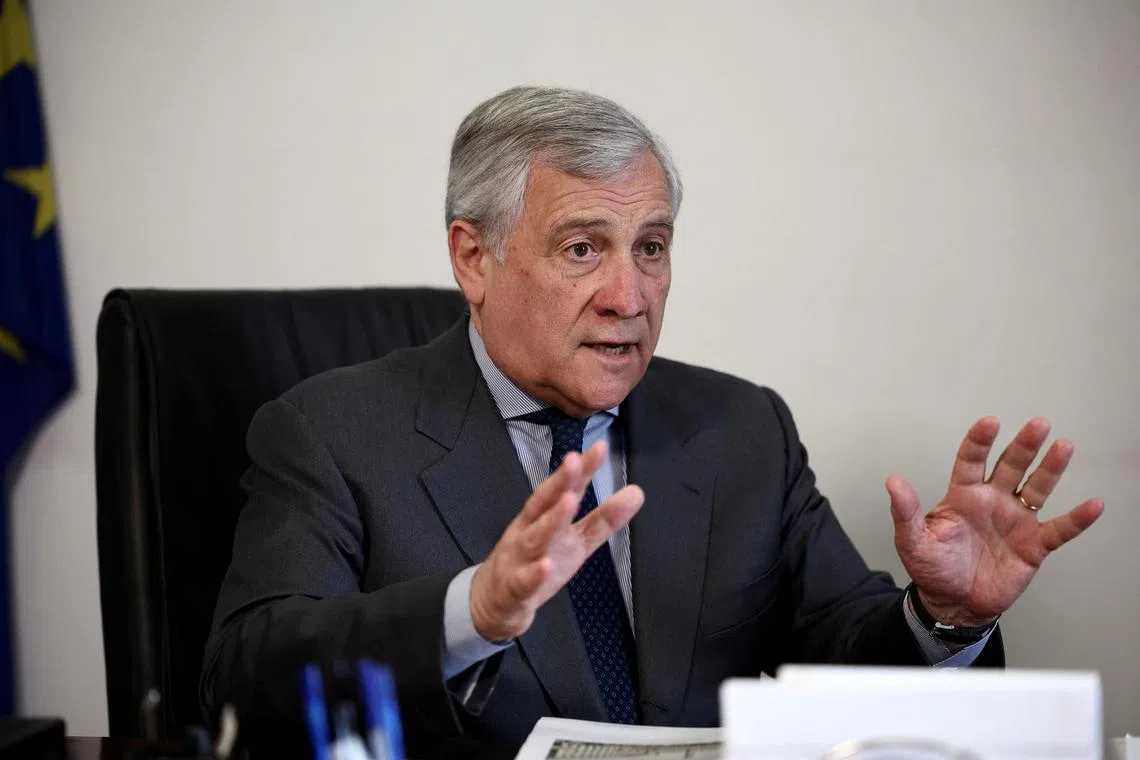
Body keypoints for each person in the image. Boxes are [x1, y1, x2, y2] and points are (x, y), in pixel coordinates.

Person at [199, 86, 1104, 748]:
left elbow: (841, 653)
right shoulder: (331, 432)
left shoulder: (742, 426)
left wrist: (943, 618)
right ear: (474, 259)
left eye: (653, 248)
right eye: (583, 248)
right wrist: (471, 610)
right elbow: (242, 678)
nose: (629, 296)